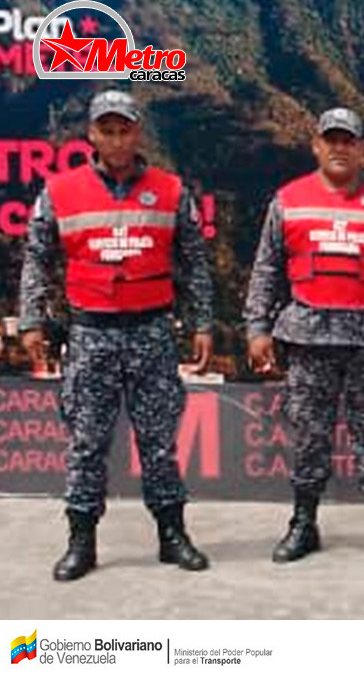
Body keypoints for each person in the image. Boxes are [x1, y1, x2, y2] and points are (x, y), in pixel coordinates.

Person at [18, 90, 214, 581]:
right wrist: (31, 320)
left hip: (151, 332)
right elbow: (37, 260)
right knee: (86, 444)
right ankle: (81, 542)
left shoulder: (170, 191)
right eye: (106, 129)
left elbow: (194, 265)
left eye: (124, 128)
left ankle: (172, 536)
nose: (116, 138)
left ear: (137, 133)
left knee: (159, 442)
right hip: (90, 335)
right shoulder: (60, 192)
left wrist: (204, 322)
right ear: (92, 135)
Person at [244, 107, 364, 563]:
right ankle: (303, 524)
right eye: (332, 139)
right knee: (310, 436)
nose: (340, 148)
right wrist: (257, 327)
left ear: (362, 149)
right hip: (307, 337)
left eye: (349, 140)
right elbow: (267, 268)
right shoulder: (288, 201)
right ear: (317, 145)